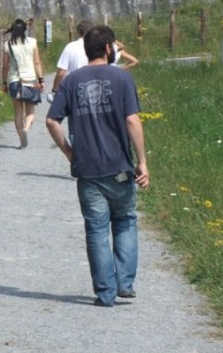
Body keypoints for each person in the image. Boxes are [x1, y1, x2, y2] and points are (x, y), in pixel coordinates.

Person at [45, 25, 150, 307]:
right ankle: (124, 284)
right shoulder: (122, 78)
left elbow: (52, 121)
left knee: (96, 229)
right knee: (125, 221)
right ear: (108, 49)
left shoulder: (72, 81)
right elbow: (132, 121)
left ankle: (105, 293)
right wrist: (141, 162)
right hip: (119, 166)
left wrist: (70, 153)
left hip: (87, 169)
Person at [2, 18, 45, 148]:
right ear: (25, 30)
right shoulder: (32, 42)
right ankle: (26, 129)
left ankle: (21, 137)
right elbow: (37, 62)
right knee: (31, 112)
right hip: (30, 80)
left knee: (18, 112)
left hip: (14, 81)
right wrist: (41, 79)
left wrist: (4, 83)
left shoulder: (7, 45)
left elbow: (5, 66)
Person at [49, 19, 95, 98]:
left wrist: (55, 89)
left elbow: (61, 73)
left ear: (79, 32)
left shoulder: (71, 47)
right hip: (93, 88)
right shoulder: (97, 46)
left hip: (74, 88)